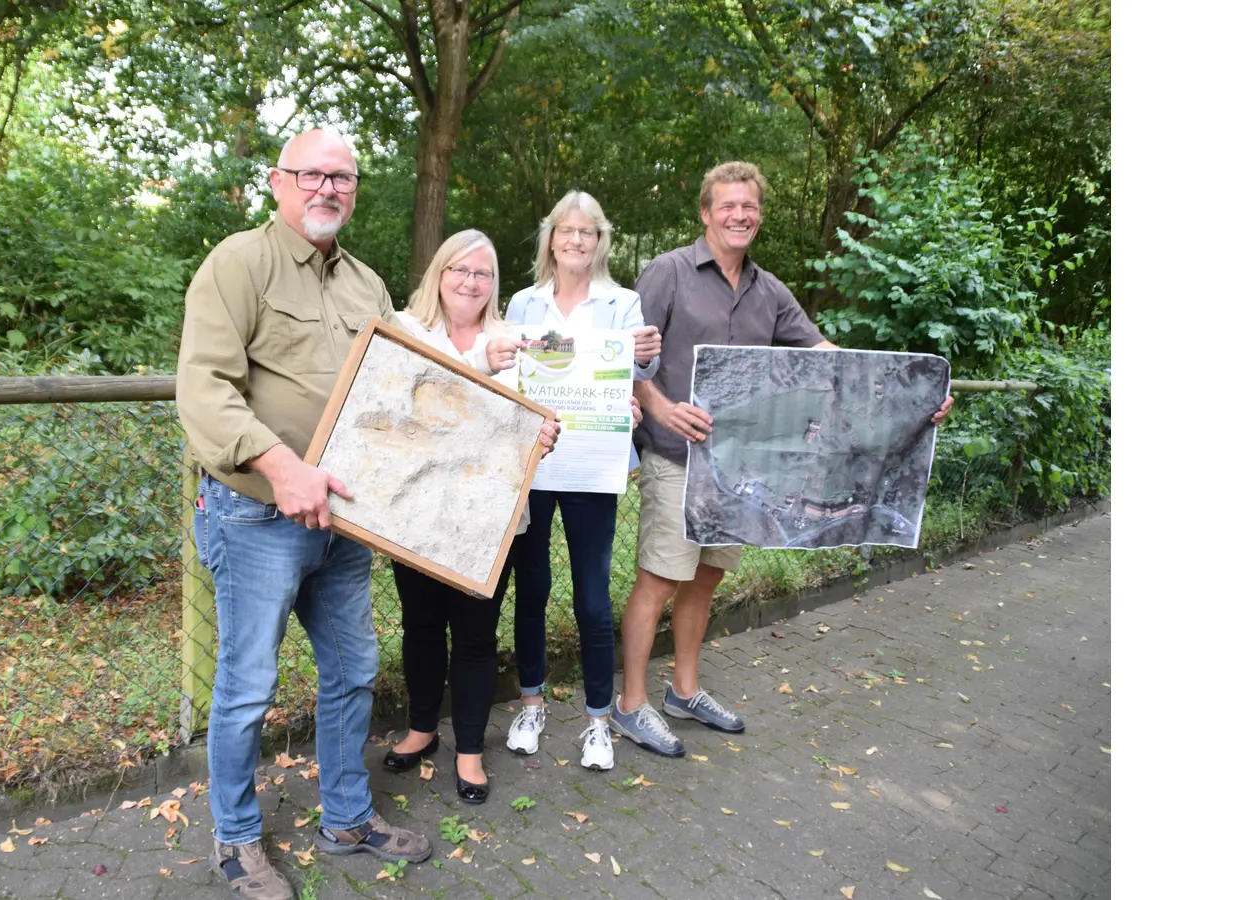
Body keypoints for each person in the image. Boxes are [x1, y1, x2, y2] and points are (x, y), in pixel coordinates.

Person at [610, 161, 954, 758]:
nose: (739, 215)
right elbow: (626, 361)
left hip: (741, 469)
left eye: (749, 206)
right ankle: (630, 705)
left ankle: (684, 692)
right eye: (727, 205)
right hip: (676, 457)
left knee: (706, 577)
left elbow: (833, 361)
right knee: (662, 578)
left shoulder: (771, 292)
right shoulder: (666, 273)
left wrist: (911, 396)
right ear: (705, 212)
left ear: (759, 214)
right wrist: (662, 410)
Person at [176, 129, 432, 900]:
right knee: (248, 686)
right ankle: (236, 839)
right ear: (278, 181)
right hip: (258, 518)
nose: (328, 189)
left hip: (343, 523)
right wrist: (280, 466)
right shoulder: (237, 265)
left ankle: (348, 819)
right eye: (313, 175)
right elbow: (205, 390)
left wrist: (514, 424)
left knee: (354, 668)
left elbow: (406, 389)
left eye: (343, 178)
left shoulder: (367, 285)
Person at [381, 229, 560, 805]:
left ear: (494, 284)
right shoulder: (407, 330)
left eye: (482, 273)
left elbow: (527, 417)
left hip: (490, 512)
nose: (470, 281)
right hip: (418, 508)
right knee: (422, 626)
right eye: (459, 269)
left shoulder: (515, 343)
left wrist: (545, 430)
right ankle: (422, 728)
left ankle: (470, 751)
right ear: (438, 273)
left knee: (477, 634)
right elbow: (409, 403)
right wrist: (474, 362)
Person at [499, 191, 662, 771]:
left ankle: (598, 720)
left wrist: (643, 362)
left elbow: (635, 371)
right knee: (532, 588)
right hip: (536, 463)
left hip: (593, 463)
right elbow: (507, 374)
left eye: (586, 231)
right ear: (550, 238)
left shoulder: (622, 302)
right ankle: (531, 704)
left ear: (600, 241)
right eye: (565, 230)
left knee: (593, 596)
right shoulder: (521, 303)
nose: (575, 240)